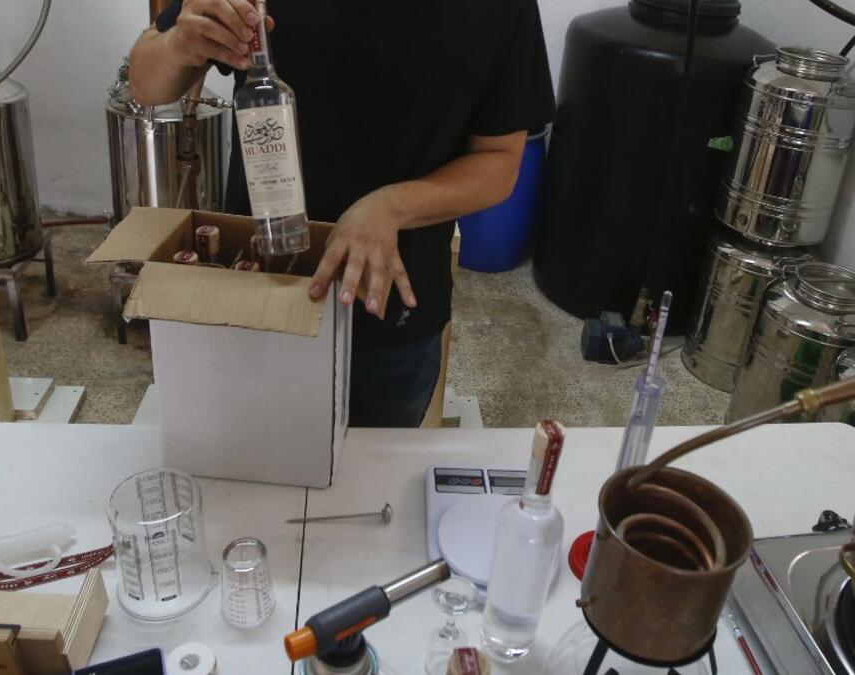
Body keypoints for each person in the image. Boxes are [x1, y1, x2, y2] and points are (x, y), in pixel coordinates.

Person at [128, 0, 554, 427]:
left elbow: (500, 162)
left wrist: (392, 206)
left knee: (374, 462)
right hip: (259, 290)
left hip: (388, 310)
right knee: (249, 451)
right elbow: (146, 85)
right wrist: (179, 44)